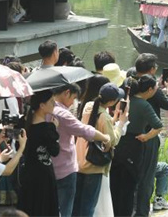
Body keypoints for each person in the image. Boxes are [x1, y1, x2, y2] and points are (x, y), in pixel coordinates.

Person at [50, 83, 112, 217]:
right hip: (65, 169)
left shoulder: (43, 110)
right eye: (73, 98)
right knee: (66, 210)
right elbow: (85, 130)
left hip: (49, 168)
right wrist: (105, 137)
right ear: (66, 93)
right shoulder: (62, 113)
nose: (73, 102)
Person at [74, 81, 129, 217]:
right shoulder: (103, 116)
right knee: (88, 206)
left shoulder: (89, 106)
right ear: (111, 102)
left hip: (79, 161)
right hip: (93, 165)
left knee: (77, 205)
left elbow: (96, 124)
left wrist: (114, 119)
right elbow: (112, 140)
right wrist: (121, 122)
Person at [111, 75, 163, 217]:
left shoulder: (120, 102)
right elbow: (158, 126)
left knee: (115, 184)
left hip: (117, 143)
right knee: (130, 186)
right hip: (134, 145)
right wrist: (146, 137)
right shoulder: (144, 105)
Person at [134, 54, 168, 215]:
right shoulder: (152, 93)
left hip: (130, 135)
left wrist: (156, 86)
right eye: (155, 67)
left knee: (135, 173)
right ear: (151, 70)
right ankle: (143, 210)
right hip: (148, 135)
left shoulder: (131, 80)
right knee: (147, 175)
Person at [17, 90, 60, 217]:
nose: (54, 104)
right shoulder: (47, 128)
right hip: (44, 175)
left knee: (29, 207)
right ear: (42, 105)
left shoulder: (25, 124)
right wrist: (54, 128)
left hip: (28, 172)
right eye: (51, 101)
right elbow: (55, 151)